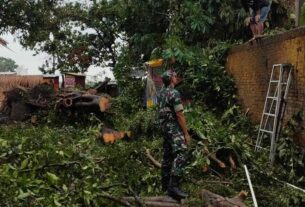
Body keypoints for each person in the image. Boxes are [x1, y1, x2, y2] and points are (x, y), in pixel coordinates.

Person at [157, 69, 191, 200]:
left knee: (168, 154)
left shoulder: (161, 93)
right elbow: (179, 114)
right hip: (172, 126)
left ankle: (165, 185)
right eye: (175, 76)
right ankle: (173, 187)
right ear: (171, 79)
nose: (176, 78)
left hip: (163, 127)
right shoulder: (174, 93)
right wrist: (186, 134)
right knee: (181, 152)